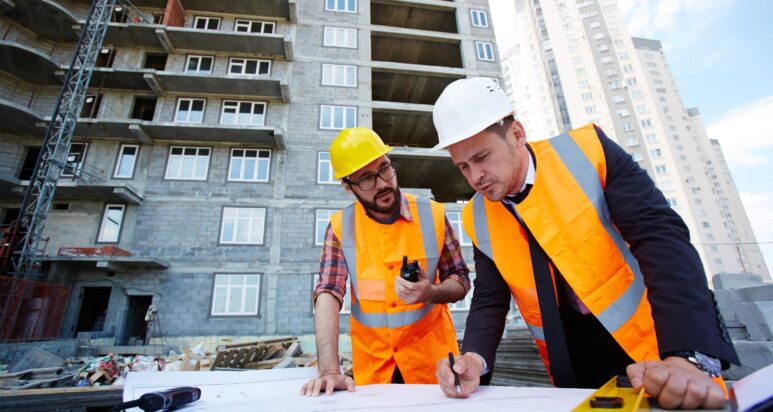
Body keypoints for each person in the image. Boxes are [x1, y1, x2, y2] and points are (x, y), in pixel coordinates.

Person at [431, 78, 738, 410]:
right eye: (463, 166)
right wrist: (474, 359)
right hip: (572, 364)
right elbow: (490, 299)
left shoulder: (589, 152)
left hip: (655, 346)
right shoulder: (478, 215)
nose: (475, 176)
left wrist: (686, 353)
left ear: (517, 134)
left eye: (482, 157)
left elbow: (661, 240)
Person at [300, 127, 470, 396]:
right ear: (347, 186)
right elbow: (328, 293)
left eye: (385, 169)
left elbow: (460, 279)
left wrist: (432, 292)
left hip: (435, 372)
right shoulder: (340, 227)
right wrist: (329, 369)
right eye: (366, 179)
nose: (382, 183)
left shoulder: (434, 216)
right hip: (375, 374)